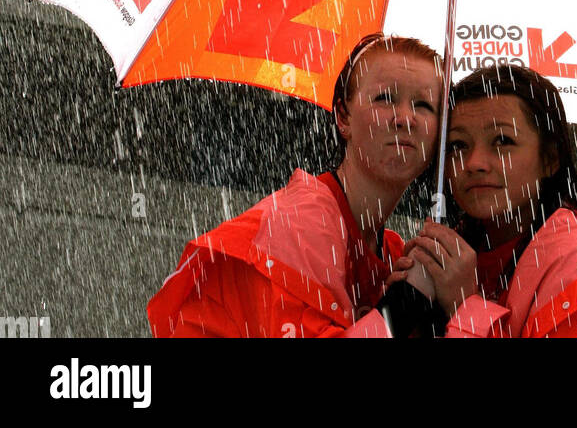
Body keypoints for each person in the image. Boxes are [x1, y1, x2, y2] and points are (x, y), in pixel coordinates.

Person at [147, 33, 442, 338]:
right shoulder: (301, 225)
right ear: (343, 116)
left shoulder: (394, 253)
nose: (405, 118)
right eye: (385, 98)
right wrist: (408, 301)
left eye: (424, 105)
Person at [388, 63, 577, 338]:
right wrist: (404, 310)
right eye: (458, 145)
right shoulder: (459, 246)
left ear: (550, 159)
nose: (474, 163)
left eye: (503, 141)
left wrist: (465, 307)